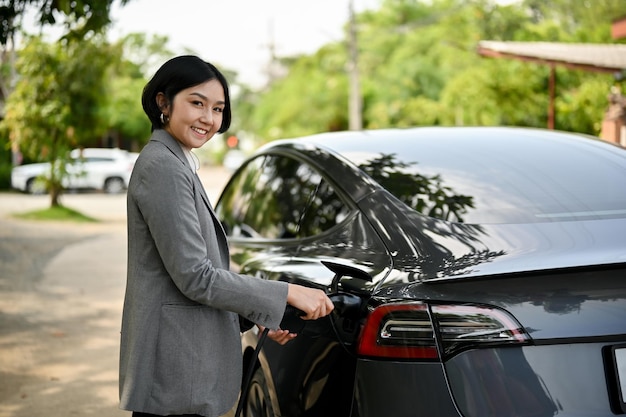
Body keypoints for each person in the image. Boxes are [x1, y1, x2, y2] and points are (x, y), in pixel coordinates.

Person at [119, 55, 334, 417]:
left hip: (182, 370)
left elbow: (184, 282)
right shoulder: (162, 167)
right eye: (197, 103)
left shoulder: (176, 161)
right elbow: (195, 277)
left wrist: (263, 314)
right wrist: (287, 294)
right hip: (175, 377)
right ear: (163, 102)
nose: (209, 118)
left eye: (217, 109)